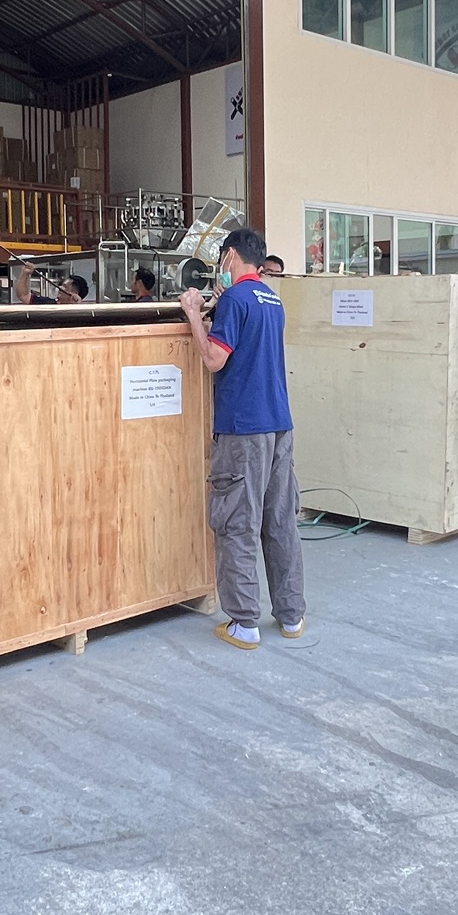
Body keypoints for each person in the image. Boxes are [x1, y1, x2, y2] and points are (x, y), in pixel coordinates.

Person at [179, 228, 306, 649]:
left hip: (243, 428)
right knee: (280, 520)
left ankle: (244, 622)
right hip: (278, 423)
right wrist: (221, 308)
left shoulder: (235, 300)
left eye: (221, 258)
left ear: (230, 255)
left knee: (237, 521)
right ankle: (291, 615)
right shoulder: (271, 299)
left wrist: (194, 314)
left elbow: (215, 359)